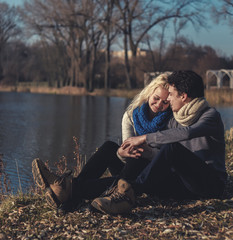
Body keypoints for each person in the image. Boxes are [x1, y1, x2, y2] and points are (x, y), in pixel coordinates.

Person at [91, 70, 228, 214]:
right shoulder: (175, 118)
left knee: (173, 148)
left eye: (170, 95)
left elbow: (188, 132)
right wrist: (133, 151)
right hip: (183, 184)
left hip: (210, 184)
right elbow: (159, 149)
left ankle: (129, 193)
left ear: (183, 96)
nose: (168, 99)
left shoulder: (210, 115)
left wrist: (144, 138)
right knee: (120, 154)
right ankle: (77, 189)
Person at [32, 74, 172, 210]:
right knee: (110, 147)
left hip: (151, 175)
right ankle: (74, 195)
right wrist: (120, 153)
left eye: (165, 102)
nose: (159, 104)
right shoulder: (131, 115)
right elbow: (126, 152)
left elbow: (168, 156)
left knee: (138, 157)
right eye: (156, 98)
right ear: (149, 93)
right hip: (130, 169)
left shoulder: (171, 121)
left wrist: (149, 153)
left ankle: (70, 192)